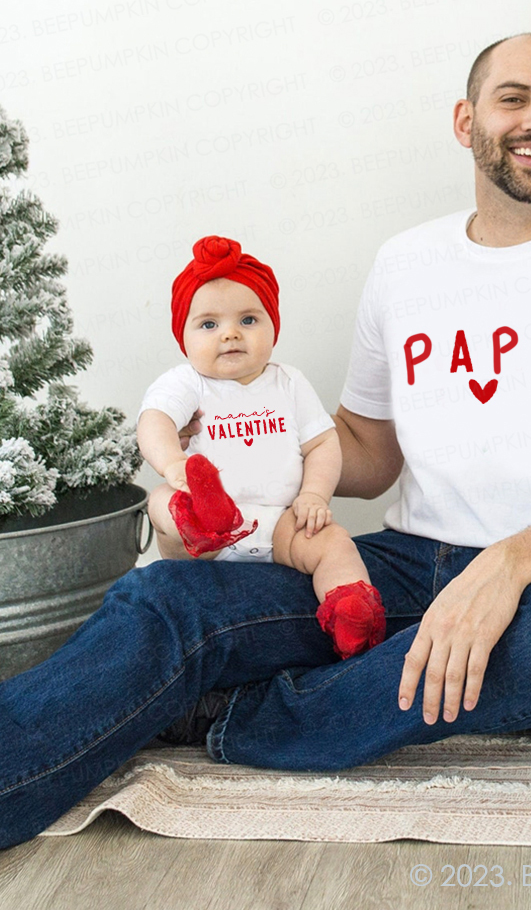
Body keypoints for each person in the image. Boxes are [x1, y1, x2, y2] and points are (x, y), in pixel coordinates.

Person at [0, 33, 531, 851]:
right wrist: (236, 444)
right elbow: (365, 449)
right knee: (166, 600)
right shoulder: (408, 262)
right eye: (514, 98)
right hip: (410, 561)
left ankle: (231, 715)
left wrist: (507, 566)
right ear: (467, 119)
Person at [139, 235, 385, 659]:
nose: (231, 334)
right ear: (184, 336)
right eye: (209, 324)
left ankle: (350, 611)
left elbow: (323, 442)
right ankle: (201, 516)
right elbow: (154, 421)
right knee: (163, 500)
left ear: (273, 326)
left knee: (335, 543)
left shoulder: (288, 382)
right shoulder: (187, 383)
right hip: (205, 540)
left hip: (280, 523)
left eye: (248, 320)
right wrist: (173, 462)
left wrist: (313, 495)